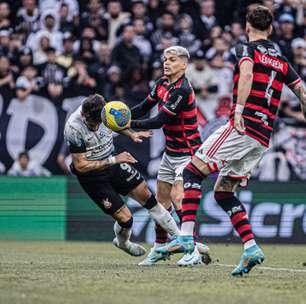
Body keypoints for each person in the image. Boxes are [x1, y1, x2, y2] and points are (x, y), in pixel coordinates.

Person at [156, 5, 306, 275]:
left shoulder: (246, 49)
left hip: (242, 126)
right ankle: (251, 248)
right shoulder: (282, 61)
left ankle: (186, 237)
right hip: (262, 137)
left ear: (247, 28)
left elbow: (247, 73)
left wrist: (237, 110)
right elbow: (302, 91)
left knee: (191, 170)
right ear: (270, 29)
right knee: (224, 192)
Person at [64, 94, 181, 257]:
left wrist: (132, 134)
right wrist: (114, 159)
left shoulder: (108, 112)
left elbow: (116, 124)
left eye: (97, 123)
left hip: (113, 162)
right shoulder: (73, 128)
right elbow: (80, 165)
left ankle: (181, 238)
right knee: (126, 219)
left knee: (148, 196)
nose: (93, 126)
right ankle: (123, 243)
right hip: (92, 175)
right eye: (90, 122)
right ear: (84, 115)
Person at [129, 46, 210, 266]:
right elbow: (144, 107)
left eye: (172, 60)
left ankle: (191, 249)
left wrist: (127, 123)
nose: (166, 63)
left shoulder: (182, 89)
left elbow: (159, 121)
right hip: (170, 153)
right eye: (165, 59)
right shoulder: (161, 84)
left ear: (183, 65)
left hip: (189, 152)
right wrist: (120, 112)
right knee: (161, 202)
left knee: (178, 196)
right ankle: (159, 248)